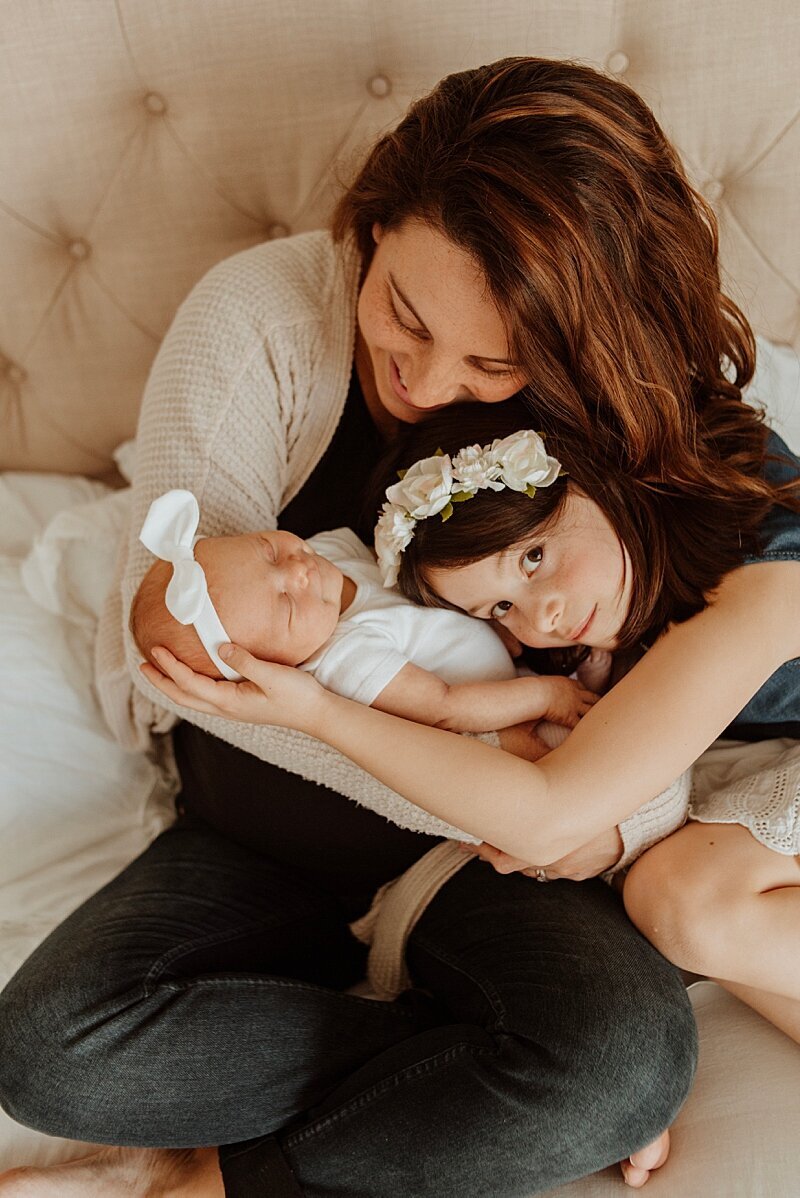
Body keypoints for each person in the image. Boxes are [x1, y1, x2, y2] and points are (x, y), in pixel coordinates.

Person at [0, 55, 735, 1196]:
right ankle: (456, 1080)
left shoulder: (594, 410)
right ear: (376, 222)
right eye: (402, 312)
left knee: (629, 1059)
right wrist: (532, 796)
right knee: (47, 1055)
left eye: (494, 364)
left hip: (482, 872)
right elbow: (175, 641)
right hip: (263, 831)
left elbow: (650, 707)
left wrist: (593, 814)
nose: (427, 381)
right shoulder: (256, 321)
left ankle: (238, 1176)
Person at [141, 401, 800, 1049]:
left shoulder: (764, 562)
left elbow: (547, 819)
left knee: (682, 902)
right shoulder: (604, 618)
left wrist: (314, 713)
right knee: (676, 898)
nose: (537, 620)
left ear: (588, 475)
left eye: (534, 558)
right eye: (501, 607)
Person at [130, 486, 597, 736]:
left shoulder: (327, 550)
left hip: (513, 646)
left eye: (268, 550)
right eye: (287, 606)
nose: (297, 572)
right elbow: (445, 709)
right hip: (505, 716)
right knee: (566, 752)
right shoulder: (345, 658)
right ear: (275, 665)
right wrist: (543, 697)